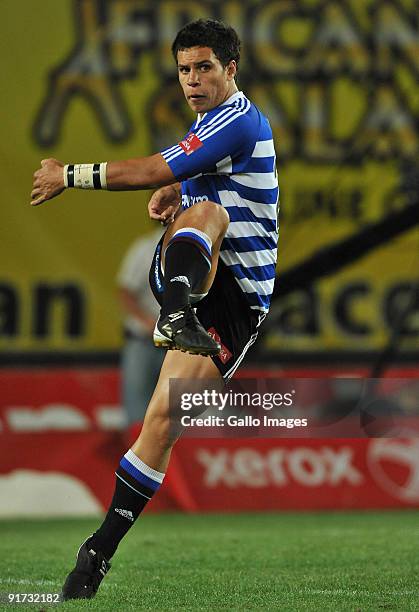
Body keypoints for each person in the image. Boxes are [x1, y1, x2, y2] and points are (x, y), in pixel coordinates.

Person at [31, 18, 279, 600]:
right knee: (204, 216)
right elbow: (196, 187)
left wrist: (68, 173)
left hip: (241, 301)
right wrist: (183, 195)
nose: (192, 80)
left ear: (231, 70)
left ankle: (96, 552)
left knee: (160, 427)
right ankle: (175, 311)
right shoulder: (208, 123)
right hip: (194, 286)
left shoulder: (238, 119)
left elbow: (152, 168)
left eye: (204, 68)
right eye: (184, 70)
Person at [117, 229, 164, 440]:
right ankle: (135, 467)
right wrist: (149, 323)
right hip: (143, 341)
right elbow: (125, 291)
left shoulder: (200, 247)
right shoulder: (146, 247)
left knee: (177, 410)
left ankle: (175, 470)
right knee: (137, 411)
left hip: (178, 343)